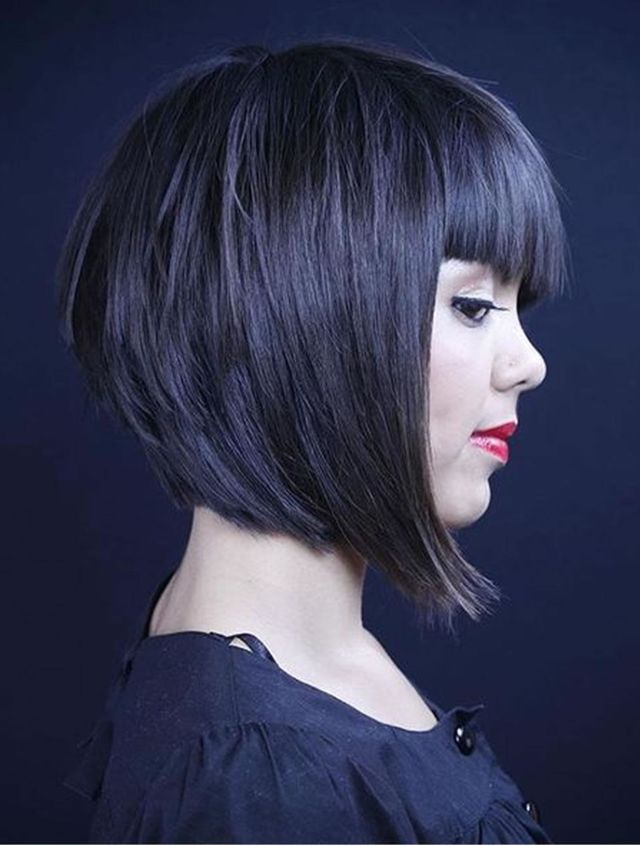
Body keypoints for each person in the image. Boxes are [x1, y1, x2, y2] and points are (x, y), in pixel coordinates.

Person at [58, 36, 570, 843]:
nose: (529, 364)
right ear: (296, 316)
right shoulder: (252, 781)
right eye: (472, 305)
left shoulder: (283, 678)